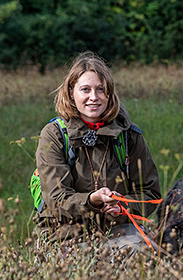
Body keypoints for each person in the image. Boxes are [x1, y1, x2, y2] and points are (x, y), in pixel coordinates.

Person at [34, 51, 161, 253]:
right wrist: (93, 200)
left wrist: (124, 207)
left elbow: (150, 193)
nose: (94, 97)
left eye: (101, 90)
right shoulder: (54, 135)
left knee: (146, 256)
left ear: (109, 94)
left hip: (119, 228)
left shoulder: (129, 135)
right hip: (65, 233)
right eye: (85, 89)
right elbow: (57, 200)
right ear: (71, 93)